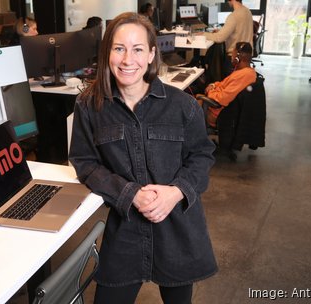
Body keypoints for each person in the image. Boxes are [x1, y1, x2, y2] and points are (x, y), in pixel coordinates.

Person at [69, 12, 217, 304]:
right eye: (119, 48)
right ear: (107, 52)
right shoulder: (89, 106)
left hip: (177, 226)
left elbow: (202, 156)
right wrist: (129, 193)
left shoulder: (183, 106)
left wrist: (175, 192)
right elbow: (85, 163)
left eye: (138, 49)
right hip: (125, 230)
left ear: (151, 54)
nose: (128, 60)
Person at [202, 42, 256, 129]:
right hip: (218, 106)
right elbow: (223, 84)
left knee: (185, 106)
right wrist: (213, 85)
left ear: (238, 58)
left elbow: (222, 99)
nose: (231, 57)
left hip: (217, 112)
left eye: (233, 54)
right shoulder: (244, 72)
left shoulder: (244, 76)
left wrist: (210, 91)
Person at [201, 0, 253, 75]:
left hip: (234, 58)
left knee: (228, 83)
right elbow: (239, 29)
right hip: (246, 57)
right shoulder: (247, 11)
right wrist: (222, 30)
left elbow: (219, 38)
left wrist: (203, 34)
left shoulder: (234, 16)